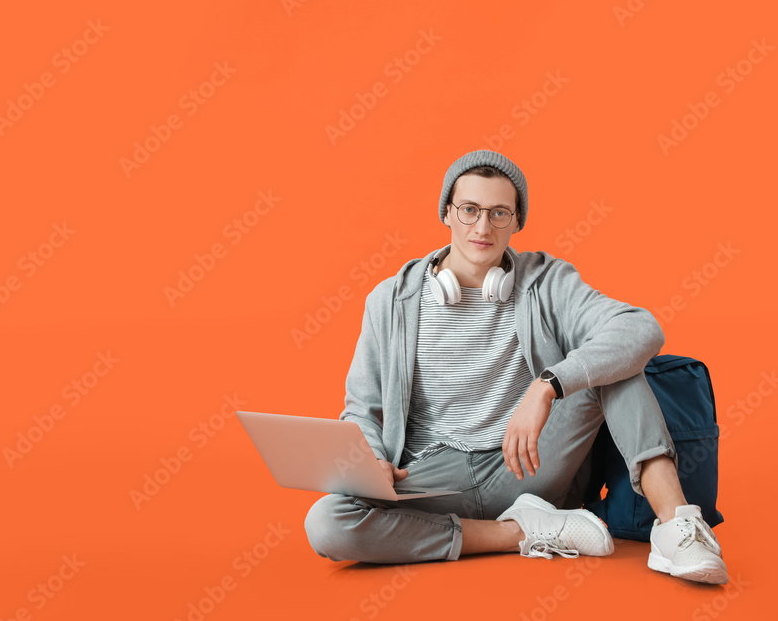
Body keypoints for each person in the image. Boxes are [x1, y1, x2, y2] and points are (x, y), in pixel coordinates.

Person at [304, 149, 728, 584]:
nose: (482, 227)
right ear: (447, 213)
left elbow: (640, 328)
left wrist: (548, 385)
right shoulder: (389, 301)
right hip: (427, 480)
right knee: (327, 522)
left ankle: (677, 527)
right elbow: (363, 408)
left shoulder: (546, 281)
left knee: (616, 364)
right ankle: (519, 532)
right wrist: (373, 460)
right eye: (469, 210)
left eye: (499, 213)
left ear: (517, 221)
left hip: (528, 465)